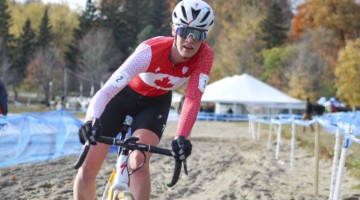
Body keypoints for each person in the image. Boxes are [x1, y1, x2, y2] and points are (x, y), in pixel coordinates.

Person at [73, 0, 215, 199]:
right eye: (185, 31)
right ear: (174, 30)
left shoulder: (205, 56)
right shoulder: (149, 51)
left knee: (138, 161)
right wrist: (90, 121)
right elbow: (106, 91)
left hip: (154, 103)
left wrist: (181, 136)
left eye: (198, 34)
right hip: (121, 98)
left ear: (205, 37)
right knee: (88, 167)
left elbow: (192, 99)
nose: (190, 40)